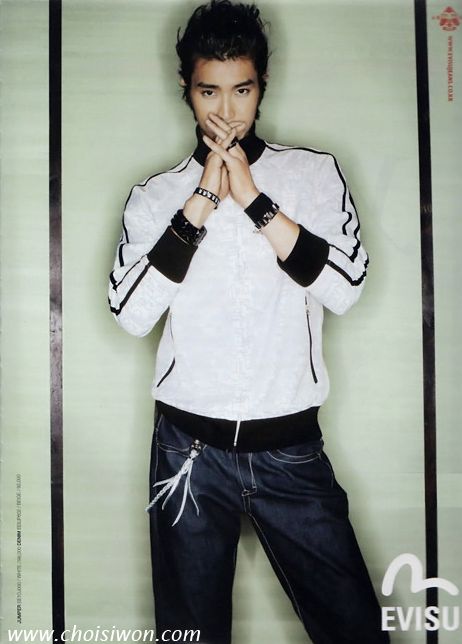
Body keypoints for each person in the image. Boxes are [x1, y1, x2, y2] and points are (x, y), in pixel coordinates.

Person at [108, 1, 388, 642]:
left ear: (262, 87)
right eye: (209, 91)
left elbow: (345, 288)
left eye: (242, 90)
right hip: (187, 451)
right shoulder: (155, 195)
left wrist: (255, 202)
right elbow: (131, 313)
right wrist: (202, 202)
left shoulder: (312, 174)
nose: (226, 112)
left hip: (290, 449)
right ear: (186, 88)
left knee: (355, 630)